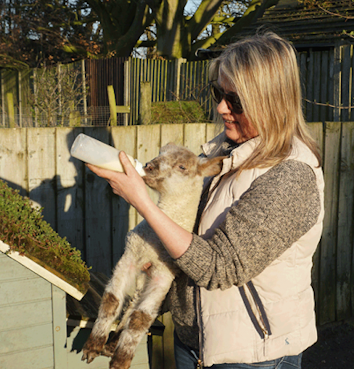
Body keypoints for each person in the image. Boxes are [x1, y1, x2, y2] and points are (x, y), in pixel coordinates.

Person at [88, 31, 325, 369]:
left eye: (235, 100)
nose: (221, 107)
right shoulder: (222, 155)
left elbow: (220, 267)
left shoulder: (291, 176)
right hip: (195, 343)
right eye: (218, 92)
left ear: (271, 101)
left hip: (253, 355)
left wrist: (143, 203)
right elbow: (188, 230)